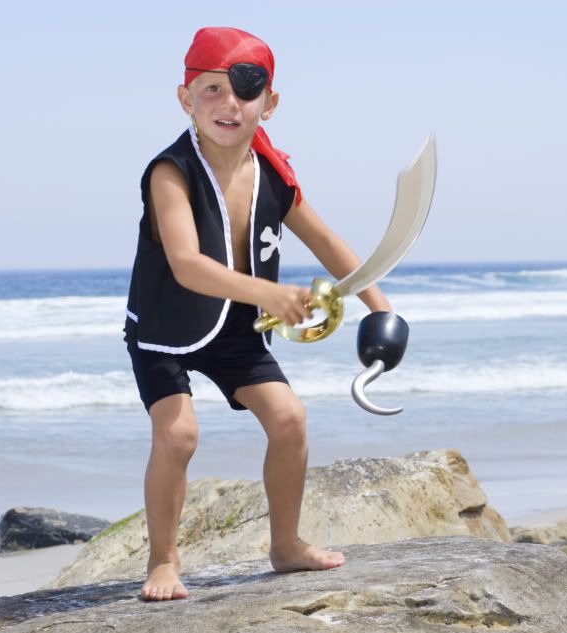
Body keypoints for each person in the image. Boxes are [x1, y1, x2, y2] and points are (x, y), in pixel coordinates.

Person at [124, 26, 392, 601]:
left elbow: (329, 244)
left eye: (244, 94)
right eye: (212, 89)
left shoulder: (273, 174)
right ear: (185, 98)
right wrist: (269, 294)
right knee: (178, 436)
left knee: (290, 420)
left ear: (268, 104)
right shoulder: (169, 173)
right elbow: (187, 265)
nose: (228, 104)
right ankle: (163, 561)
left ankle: (286, 545)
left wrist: (379, 308)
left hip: (236, 333)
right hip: (166, 332)